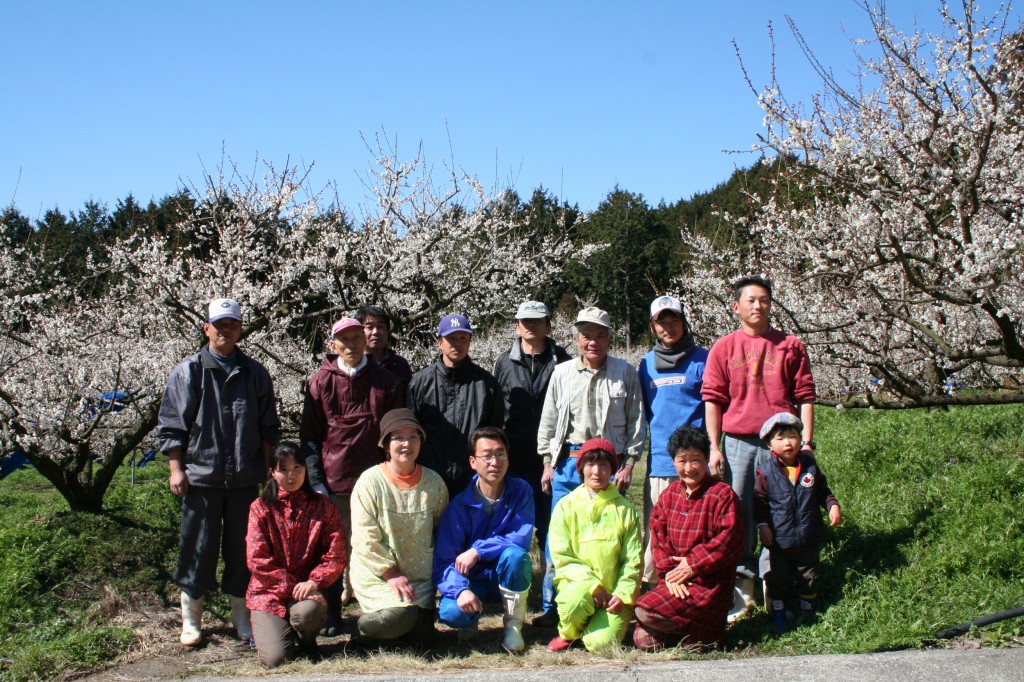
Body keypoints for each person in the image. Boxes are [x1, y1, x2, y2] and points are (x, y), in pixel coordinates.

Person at [157, 298, 281, 646]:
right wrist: (175, 468)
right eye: (219, 325)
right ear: (206, 328)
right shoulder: (189, 371)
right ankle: (191, 620)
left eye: (232, 325)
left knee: (245, 550)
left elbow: (269, 427)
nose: (226, 330)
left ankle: (241, 617)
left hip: (245, 478)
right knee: (198, 547)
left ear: (240, 329)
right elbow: (172, 426)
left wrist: (270, 471)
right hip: (201, 477)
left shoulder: (255, 372)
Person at [701, 276, 817, 620]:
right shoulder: (724, 348)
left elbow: (805, 397)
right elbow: (713, 400)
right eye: (750, 300)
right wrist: (714, 446)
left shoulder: (790, 345)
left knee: (783, 511)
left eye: (764, 299)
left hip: (781, 444)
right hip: (737, 442)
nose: (758, 305)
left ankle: (777, 585)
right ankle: (742, 587)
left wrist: (806, 442)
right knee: (738, 514)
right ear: (736, 307)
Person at [533, 306, 645, 626]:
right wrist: (546, 462)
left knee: (608, 537)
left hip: (610, 463)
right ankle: (554, 606)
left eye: (599, 335)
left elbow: (637, 422)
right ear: (576, 338)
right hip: (569, 461)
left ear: (610, 338)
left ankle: (608, 601)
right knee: (561, 537)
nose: (592, 342)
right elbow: (549, 421)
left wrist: (630, 464)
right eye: (586, 335)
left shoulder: (625, 372)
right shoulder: (562, 372)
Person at [300, 316, 404, 635]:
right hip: (335, 480)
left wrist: (396, 472)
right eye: (345, 340)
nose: (352, 345)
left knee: (379, 546)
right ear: (334, 345)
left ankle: (378, 610)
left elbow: (396, 430)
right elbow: (310, 437)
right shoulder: (320, 381)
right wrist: (316, 482)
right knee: (335, 549)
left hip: (377, 479)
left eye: (358, 338)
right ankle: (333, 612)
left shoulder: (384, 380)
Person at [632, 427, 745, 651]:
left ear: (706, 459)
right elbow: (658, 537)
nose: (689, 468)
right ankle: (691, 633)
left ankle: (703, 632)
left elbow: (731, 540)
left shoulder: (722, 494)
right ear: (673, 462)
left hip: (709, 585)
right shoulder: (670, 494)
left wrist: (692, 564)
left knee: (643, 610)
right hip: (675, 583)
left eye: (696, 460)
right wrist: (670, 576)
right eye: (682, 460)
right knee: (642, 639)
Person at [349, 408, 449, 647]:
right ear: (386, 444)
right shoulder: (370, 482)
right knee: (400, 616)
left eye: (413, 437)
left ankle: (395, 632)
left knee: (422, 638)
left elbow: (441, 530)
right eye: (398, 438)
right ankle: (363, 630)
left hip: (419, 579)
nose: (407, 444)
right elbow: (365, 536)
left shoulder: (434, 482)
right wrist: (390, 572)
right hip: (380, 575)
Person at [433, 427, 534, 652]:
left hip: (503, 573)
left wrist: (477, 550)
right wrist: (460, 590)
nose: (494, 462)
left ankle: (513, 628)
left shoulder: (521, 491)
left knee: (516, 556)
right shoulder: (458, 506)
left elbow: (520, 538)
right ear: (472, 461)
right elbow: (443, 562)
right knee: (451, 612)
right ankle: (469, 621)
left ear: (508, 458)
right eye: (486, 456)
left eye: (500, 454)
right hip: (472, 580)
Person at [245, 442, 346, 667]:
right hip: (268, 594)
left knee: (308, 612)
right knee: (276, 660)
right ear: (272, 472)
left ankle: (307, 638)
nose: (291, 476)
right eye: (283, 469)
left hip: (307, 591)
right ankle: (284, 634)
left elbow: (336, 554)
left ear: (306, 470)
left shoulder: (324, 507)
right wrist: (292, 585)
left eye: (297, 468)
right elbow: (257, 560)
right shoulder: (260, 508)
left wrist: (314, 582)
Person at [491, 300, 571, 576]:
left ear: (548, 326)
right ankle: (515, 582)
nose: (531, 326)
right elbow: (497, 408)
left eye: (537, 321)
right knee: (514, 522)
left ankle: (550, 584)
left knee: (552, 523)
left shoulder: (563, 360)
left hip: (554, 456)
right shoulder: (504, 362)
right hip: (515, 456)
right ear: (516, 326)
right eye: (525, 321)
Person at [637, 295, 708, 587]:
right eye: (661, 322)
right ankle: (654, 587)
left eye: (674, 320)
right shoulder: (645, 365)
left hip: (698, 462)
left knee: (698, 528)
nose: (668, 327)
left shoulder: (704, 358)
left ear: (684, 322)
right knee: (658, 529)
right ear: (652, 327)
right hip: (661, 463)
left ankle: (699, 584)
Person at [546, 438, 642, 652]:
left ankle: (594, 628)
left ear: (613, 469)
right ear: (581, 469)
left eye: (603, 465)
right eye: (590, 464)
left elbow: (632, 559)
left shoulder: (625, 510)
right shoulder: (566, 506)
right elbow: (562, 555)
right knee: (574, 601)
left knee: (601, 645)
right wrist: (591, 585)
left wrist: (623, 593)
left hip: (612, 595)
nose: (596, 471)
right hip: (578, 587)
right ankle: (568, 633)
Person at [754, 413, 842, 633]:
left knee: (808, 576)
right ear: (769, 444)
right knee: (778, 579)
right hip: (779, 541)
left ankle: (808, 611)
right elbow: (759, 504)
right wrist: (762, 526)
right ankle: (779, 611)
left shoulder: (810, 466)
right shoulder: (765, 472)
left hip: (808, 536)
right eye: (781, 438)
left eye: (793, 436)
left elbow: (823, 491)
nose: (788, 442)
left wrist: (832, 506)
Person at [408, 313, 504, 497]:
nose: (457, 344)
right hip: (428, 479)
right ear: (439, 342)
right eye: (451, 338)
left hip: (472, 480)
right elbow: (412, 432)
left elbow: (494, 433)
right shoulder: (420, 383)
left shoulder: (487, 385)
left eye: (463, 338)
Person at [355, 305, 414, 396]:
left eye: (380, 326)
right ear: (359, 332)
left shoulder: (399, 364)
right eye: (369, 327)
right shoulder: (351, 365)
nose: (376, 332)